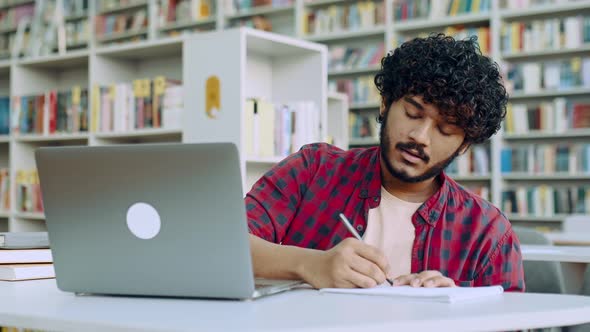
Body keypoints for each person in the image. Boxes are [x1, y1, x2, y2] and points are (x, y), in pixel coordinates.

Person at [245, 34, 525, 291]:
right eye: (413, 112)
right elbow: (222, 246)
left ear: (464, 144)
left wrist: (456, 313)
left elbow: (512, 321)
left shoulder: (487, 232)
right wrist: (309, 265)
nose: (420, 137)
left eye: (446, 129)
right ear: (385, 103)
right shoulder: (314, 169)